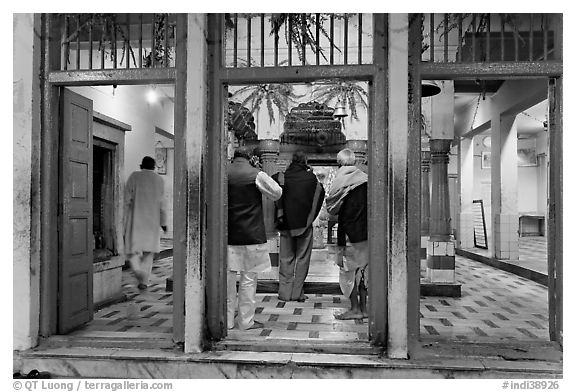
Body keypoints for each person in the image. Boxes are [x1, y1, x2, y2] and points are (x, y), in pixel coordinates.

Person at [228, 146, 282, 330]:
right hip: (251, 234)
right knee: (248, 281)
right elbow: (276, 193)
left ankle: (226, 322)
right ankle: (245, 321)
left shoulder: (222, 172)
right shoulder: (256, 174)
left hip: (226, 235)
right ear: (250, 157)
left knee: (227, 281)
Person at [273, 151, 325, 302]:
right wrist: (310, 218)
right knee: (302, 259)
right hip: (304, 224)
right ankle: (297, 293)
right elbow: (320, 192)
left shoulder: (282, 177)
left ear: (291, 161)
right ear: (305, 161)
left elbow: (270, 182)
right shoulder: (311, 178)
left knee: (285, 259)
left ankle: (284, 293)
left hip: (285, 225)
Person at [326, 148, 369, 320]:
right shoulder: (365, 180)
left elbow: (332, 209)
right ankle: (364, 309)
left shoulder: (340, 180)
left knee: (348, 273)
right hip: (366, 234)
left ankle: (354, 309)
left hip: (349, 235)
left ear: (339, 163)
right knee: (363, 271)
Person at [124, 156, 167, 290]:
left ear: (141, 165)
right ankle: (144, 280)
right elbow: (162, 205)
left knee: (133, 251)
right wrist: (163, 222)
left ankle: (137, 271)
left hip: (136, 220)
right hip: (152, 222)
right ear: (154, 167)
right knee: (149, 254)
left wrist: (123, 220)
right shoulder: (159, 180)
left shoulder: (134, 177)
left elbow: (126, 200)